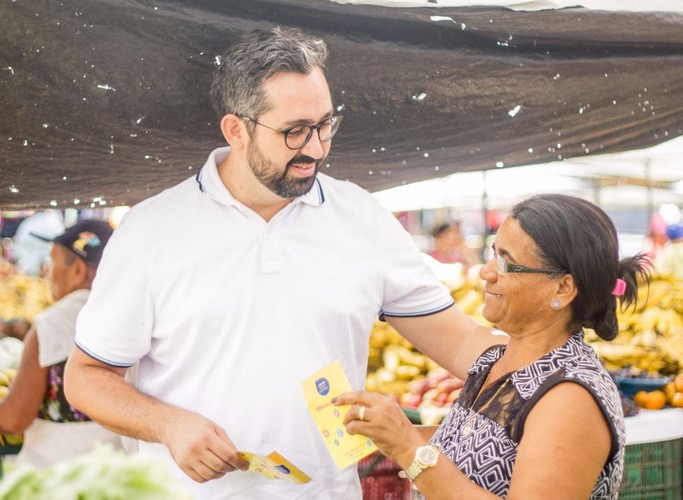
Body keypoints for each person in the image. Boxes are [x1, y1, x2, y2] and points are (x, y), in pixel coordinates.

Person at [63, 27, 501, 499]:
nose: (315, 148)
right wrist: (168, 424)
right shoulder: (151, 230)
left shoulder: (362, 219)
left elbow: (461, 343)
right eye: (294, 131)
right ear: (237, 131)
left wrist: (564, 371)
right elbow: (85, 377)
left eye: (325, 125)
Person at [334, 193, 649, 499]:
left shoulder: (571, 397)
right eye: (492, 254)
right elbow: (472, 451)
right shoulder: (497, 358)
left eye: (505, 263)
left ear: (563, 288)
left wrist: (406, 445)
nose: (486, 272)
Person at [0, 219, 121, 468]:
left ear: (78, 270)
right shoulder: (130, 317)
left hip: (60, 477)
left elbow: (13, 419)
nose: (47, 271)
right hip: (125, 473)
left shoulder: (50, 326)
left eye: (52, 262)